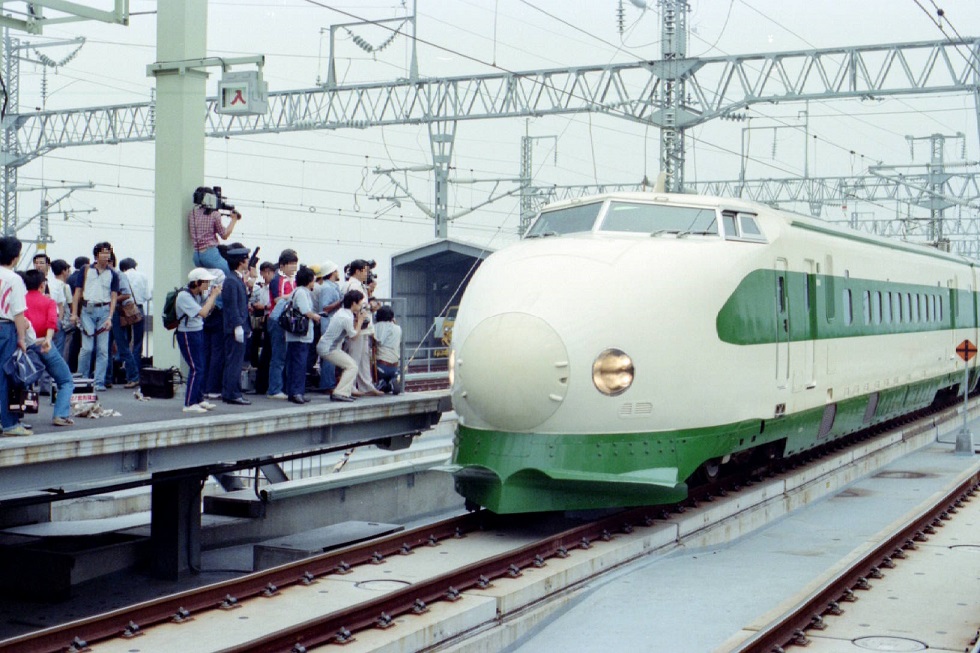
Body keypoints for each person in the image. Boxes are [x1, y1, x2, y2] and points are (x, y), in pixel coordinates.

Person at [22, 270, 75, 426]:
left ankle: (13, 416)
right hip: (44, 344)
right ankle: (60, 415)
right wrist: (49, 340)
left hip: (25, 346)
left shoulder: (20, 301)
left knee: (19, 381)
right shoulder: (49, 302)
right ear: (42, 285)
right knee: (65, 380)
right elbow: (52, 322)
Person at [71, 242, 118, 391]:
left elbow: (114, 296)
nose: (106, 256)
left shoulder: (113, 274)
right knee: (87, 348)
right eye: (103, 252)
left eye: (108, 253)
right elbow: (77, 293)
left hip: (104, 310)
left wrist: (110, 317)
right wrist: (74, 313)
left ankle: (99, 382)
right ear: (96, 255)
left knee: (103, 350)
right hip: (87, 310)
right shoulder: (85, 270)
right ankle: (82, 379)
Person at [176, 268, 221, 413]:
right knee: (196, 368)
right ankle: (189, 403)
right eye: (205, 282)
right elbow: (202, 313)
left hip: (197, 331)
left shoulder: (197, 294)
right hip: (187, 334)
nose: (207, 285)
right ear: (196, 282)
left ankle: (199, 398)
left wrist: (211, 298)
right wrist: (213, 296)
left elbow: (207, 310)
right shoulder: (184, 296)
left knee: (201, 366)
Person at [0, 237, 33, 436]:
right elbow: (19, 312)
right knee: (5, 376)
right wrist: (22, 338)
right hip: (5, 328)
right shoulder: (13, 278)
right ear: (15, 257)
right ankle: (10, 424)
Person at [316, 289, 368, 403]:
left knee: (350, 365)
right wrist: (359, 321)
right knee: (352, 366)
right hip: (328, 349)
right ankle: (340, 393)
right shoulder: (346, 317)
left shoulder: (343, 312)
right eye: (360, 303)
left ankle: (344, 392)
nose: (361, 306)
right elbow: (353, 336)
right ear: (354, 303)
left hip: (327, 346)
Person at [342, 259, 383, 397]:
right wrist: (372, 307)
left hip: (363, 326)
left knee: (363, 357)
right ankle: (351, 386)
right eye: (365, 271)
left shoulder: (358, 285)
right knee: (354, 357)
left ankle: (366, 385)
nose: (367, 274)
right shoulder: (354, 285)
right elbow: (357, 306)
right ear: (358, 271)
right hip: (357, 325)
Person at [220, 243, 252, 405]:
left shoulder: (235, 279)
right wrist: (238, 325)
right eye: (246, 259)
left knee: (234, 361)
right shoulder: (232, 281)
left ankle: (232, 391)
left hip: (236, 326)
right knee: (235, 361)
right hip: (235, 328)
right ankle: (232, 393)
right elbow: (232, 306)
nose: (248, 261)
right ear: (240, 261)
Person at [283, 265, 320, 404]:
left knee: (293, 363)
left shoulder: (296, 291)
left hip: (293, 335)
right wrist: (316, 317)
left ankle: (292, 391)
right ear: (309, 280)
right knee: (300, 364)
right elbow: (305, 311)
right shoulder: (302, 293)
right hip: (301, 335)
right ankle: (297, 392)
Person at [264, 249, 298, 400]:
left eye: (295, 264)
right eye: (291, 264)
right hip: (277, 320)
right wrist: (293, 296)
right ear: (282, 265)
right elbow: (277, 299)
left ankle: (281, 386)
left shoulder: (292, 280)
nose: (293, 267)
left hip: (288, 320)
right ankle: (274, 389)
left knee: (284, 355)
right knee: (278, 356)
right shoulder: (278, 279)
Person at [103, 254, 140, 389]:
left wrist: (110, 300)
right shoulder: (103, 276)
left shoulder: (119, 275)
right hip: (107, 313)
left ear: (110, 262)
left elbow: (126, 294)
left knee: (122, 346)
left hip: (117, 313)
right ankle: (107, 378)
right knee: (105, 348)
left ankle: (133, 377)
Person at [188, 186, 240, 279]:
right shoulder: (214, 214)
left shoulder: (192, 214)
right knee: (229, 275)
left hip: (196, 255)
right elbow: (224, 235)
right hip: (210, 254)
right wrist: (234, 220)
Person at [312, 260, 342, 393]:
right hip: (329, 324)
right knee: (330, 355)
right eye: (336, 270)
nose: (337, 273)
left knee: (330, 354)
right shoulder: (327, 288)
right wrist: (341, 302)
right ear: (331, 273)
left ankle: (328, 382)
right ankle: (327, 384)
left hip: (331, 324)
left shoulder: (331, 286)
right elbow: (325, 308)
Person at [119, 257, 150, 363]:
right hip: (138, 309)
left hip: (124, 309)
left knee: (124, 339)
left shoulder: (122, 276)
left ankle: (123, 366)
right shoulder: (143, 276)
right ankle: (135, 368)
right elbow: (147, 296)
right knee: (138, 341)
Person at [373, 305, 402, 394]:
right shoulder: (398, 328)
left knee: (365, 361)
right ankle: (390, 382)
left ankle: (381, 382)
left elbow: (376, 341)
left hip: (381, 365)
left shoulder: (378, 326)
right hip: (395, 366)